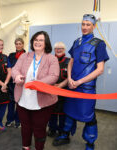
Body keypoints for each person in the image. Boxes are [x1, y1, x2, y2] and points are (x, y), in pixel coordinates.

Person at [53, 14, 109, 150]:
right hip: (73, 86)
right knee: (69, 111)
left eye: (88, 24)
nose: (84, 27)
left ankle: (90, 143)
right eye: (83, 24)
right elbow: (71, 62)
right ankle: (65, 135)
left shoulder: (99, 44)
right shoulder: (76, 42)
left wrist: (79, 82)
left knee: (88, 116)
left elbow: (100, 69)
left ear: (94, 26)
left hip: (86, 89)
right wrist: (70, 79)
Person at [12, 31, 60, 150]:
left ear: (46, 43)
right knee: (25, 127)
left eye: (41, 40)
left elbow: (54, 76)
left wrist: (37, 84)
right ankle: (26, 147)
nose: (37, 42)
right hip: (23, 99)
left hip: (42, 101)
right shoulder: (25, 56)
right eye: (35, 40)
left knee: (39, 129)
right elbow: (15, 69)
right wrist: (17, 76)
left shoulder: (51, 59)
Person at [47, 42, 70, 137]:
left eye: (61, 48)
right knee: (52, 112)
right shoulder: (50, 60)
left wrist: (60, 85)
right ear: (54, 50)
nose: (58, 50)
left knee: (62, 114)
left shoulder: (69, 61)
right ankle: (52, 129)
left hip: (64, 92)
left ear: (64, 50)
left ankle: (62, 131)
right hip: (51, 91)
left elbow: (70, 77)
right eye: (57, 48)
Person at [5, 38, 26, 128]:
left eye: (20, 43)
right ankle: (9, 120)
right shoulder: (11, 55)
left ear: (23, 44)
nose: (18, 45)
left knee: (19, 103)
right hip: (11, 83)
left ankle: (18, 120)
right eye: (16, 44)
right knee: (11, 103)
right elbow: (9, 68)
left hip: (21, 83)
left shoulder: (27, 55)